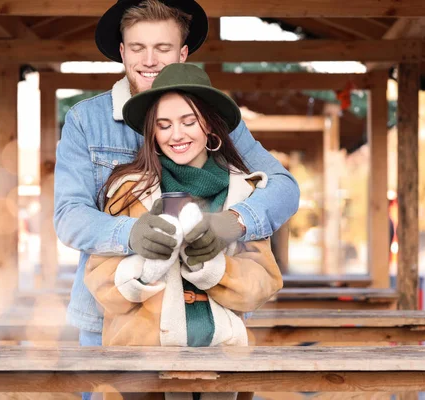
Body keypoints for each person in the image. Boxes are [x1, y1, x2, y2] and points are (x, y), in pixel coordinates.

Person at [53, 0, 299, 349]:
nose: (149, 60)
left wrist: (231, 223)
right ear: (123, 52)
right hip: (112, 322)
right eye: (138, 48)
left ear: (183, 54)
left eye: (163, 48)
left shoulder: (217, 117)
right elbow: (68, 217)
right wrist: (131, 232)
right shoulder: (86, 121)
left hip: (214, 321)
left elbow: (284, 188)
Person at [84, 62, 283, 400]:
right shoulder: (128, 188)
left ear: (209, 124)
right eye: (164, 126)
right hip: (141, 366)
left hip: (223, 361)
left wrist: (212, 267)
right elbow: (100, 282)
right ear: (153, 133)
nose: (176, 134)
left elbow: (264, 282)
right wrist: (146, 268)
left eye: (188, 121)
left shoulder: (243, 193)